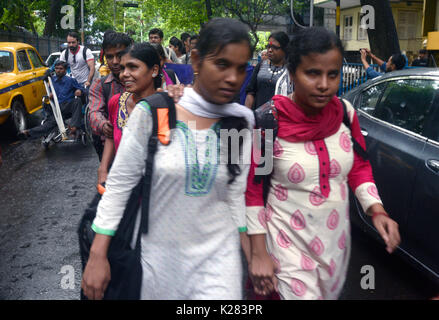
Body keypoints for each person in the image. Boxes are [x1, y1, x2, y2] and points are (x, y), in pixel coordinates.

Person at [81, 17, 255, 300]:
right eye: (222, 64)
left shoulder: (241, 122)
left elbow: (236, 193)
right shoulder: (154, 111)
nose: (233, 78)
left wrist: (253, 253)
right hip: (159, 265)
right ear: (196, 60)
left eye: (240, 68)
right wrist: (98, 255)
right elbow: (120, 187)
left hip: (220, 263)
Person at [245, 27, 401, 300]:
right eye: (313, 73)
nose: (324, 85)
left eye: (333, 74)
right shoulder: (266, 122)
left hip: (334, 247)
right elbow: (253, 192)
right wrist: (258, 253)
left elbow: (359, 166)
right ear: (293, 74)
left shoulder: (344, 113)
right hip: (286, 248)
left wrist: (377, 210)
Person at [97, 42, 161, 186]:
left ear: (154, 70)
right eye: (122, 68)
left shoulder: (168, 105)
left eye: (133, 67)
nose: (124, 74)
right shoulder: (116, 103)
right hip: (124, 187)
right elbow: (111, 137)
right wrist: (103, 170)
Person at [88, 32, 133, 161]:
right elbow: (94, 113)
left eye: (120, 55)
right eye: (110, 57)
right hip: (112, 151)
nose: (115, 61)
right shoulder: (99, 85)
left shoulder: (141, 79)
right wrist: (103, 125)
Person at [19, 61, 84, 140]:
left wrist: (79, 90)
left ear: (65, 70)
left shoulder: (70, 80)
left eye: (61, 69)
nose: (58, 70)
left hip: (68, 106)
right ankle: (29, 133)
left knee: (77, 101)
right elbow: (49, 95)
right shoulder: (52, 80)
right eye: (56, 68)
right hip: (56, 108)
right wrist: (49, 96)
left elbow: (82, 89)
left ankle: (74, 127)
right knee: (49, 123)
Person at [245, 31, 289, 110]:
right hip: (257, 117)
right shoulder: (261, 65)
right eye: (268, 46)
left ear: (285, 49)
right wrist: (247, 115)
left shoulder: (290, 70)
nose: (270, 50)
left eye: (274, 47)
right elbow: (251, 92)